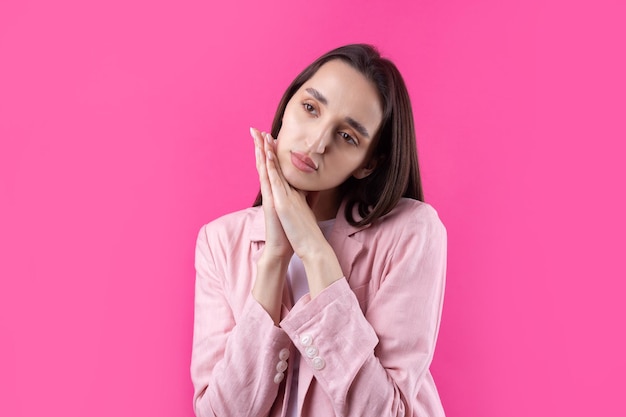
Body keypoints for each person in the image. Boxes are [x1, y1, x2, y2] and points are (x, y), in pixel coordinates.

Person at [191, 44, 447, 417]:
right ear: (288, 104)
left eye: (347, 137)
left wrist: (314, 249)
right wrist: (276, 258)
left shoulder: (411, 233)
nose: (316, 143)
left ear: (367, 164)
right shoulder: (219, 241)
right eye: (310, 108)